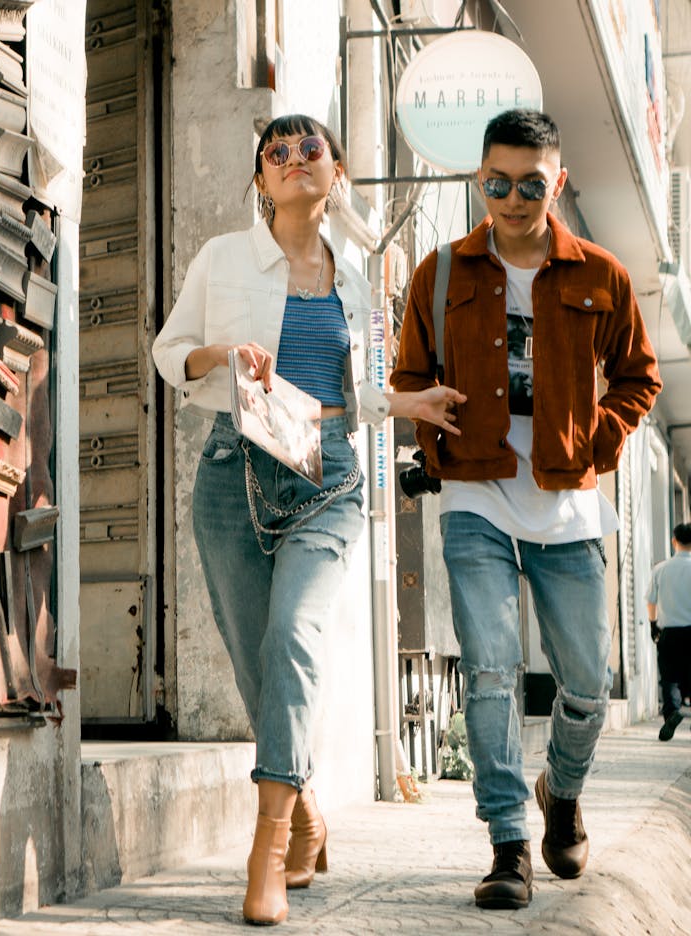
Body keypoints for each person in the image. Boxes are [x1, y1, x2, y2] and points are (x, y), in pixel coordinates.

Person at [151, 114, 464, 926]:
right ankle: (306, 808)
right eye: (277, 153)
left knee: (294, 636)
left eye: (310, 150)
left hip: (327, 477)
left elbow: (354, 393)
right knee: (257, 664)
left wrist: (408, 402)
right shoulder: (223, 258)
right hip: (234, 470)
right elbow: (169, 353)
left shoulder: (357, 284)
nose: (294, 160)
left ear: (337, 172)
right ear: (261, 180)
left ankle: (266, 851)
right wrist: (222, 355)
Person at [390, 109, 662, 911]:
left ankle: (561, 791)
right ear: (480, 181)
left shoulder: (601, 275)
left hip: (567, 501)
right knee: (490, 669)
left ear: (558, 183)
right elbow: (408, 376)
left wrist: (595, 441)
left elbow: (639, 378)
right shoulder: (440, 272)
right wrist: (427, 418)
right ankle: (508, 842)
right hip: (474, 492)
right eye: (498, 183)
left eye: (531, 186)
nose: (513, 200)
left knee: (587, 682)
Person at [648, 522, 691, 740]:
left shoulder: (660, 569)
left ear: (674, 541)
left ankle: (672, 712)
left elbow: (651, 601)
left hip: (670, 632)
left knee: (669, 678)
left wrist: (653, 624)